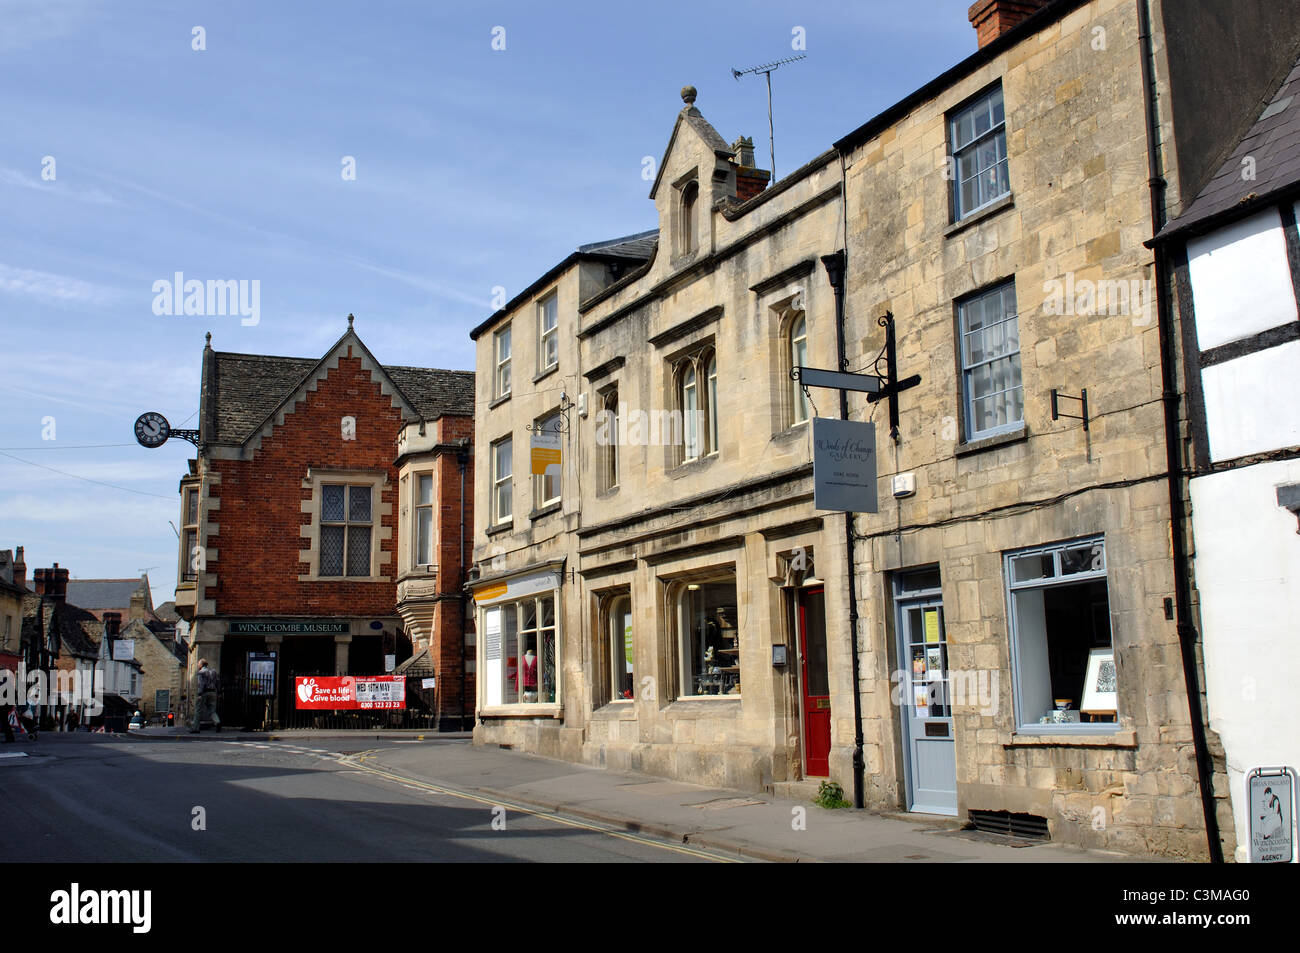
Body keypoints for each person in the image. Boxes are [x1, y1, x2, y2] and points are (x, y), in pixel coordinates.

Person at [189, 660, 222, 733]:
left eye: (198, 664)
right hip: (213, 692)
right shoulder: (214, 672)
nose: (198, 666)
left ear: (201, 665)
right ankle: (217, 722)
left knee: (198, 710)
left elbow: (201, 684)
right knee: (212, 710)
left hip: (204, 692)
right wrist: (219, 693)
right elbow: (218, 682)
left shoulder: (201, 672)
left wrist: (199, 694)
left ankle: (195, 728)